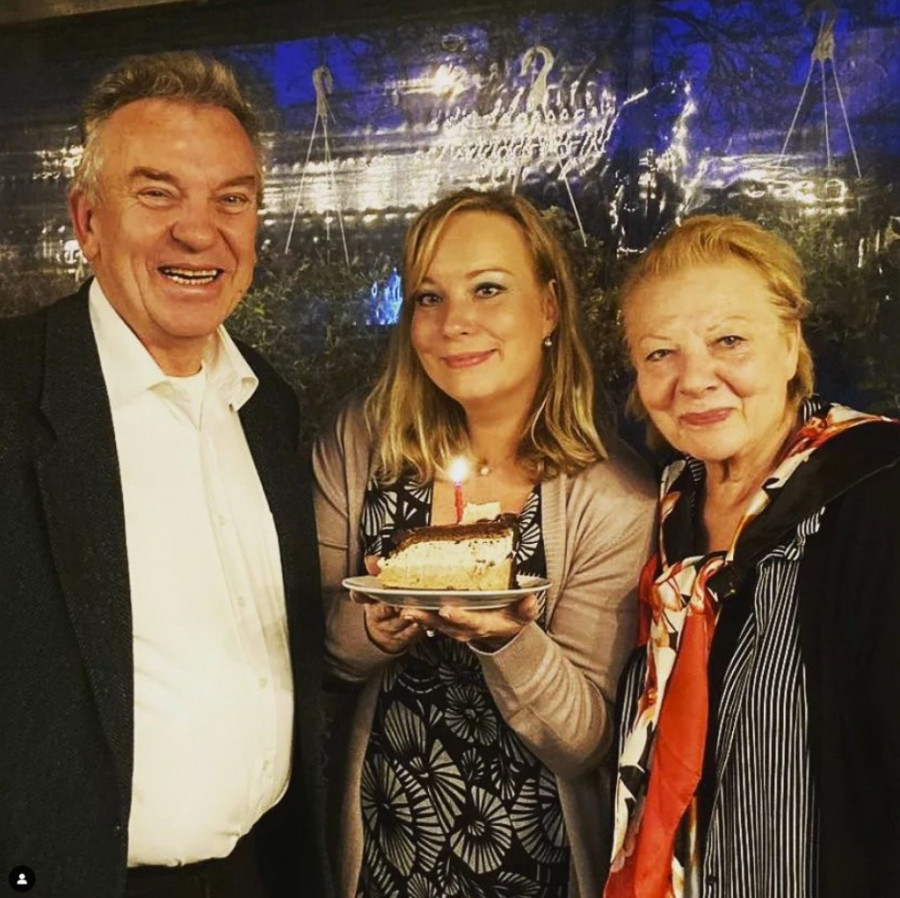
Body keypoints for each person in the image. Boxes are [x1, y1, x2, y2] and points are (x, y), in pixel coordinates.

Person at [0, 53, 330, 898]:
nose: (199, 231)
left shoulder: (268, 406)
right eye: (157, 193)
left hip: (260, 872)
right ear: (87, 221)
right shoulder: (11, 393)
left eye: (232, 199)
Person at [313, 188, 655, 898]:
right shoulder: (361, 444)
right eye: (428, 297)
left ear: (549, 308)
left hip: (530, 867)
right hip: (382, 858)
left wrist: (509, 641)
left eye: (488, 289)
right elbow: (311, 651)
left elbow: (584, 742)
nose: (454, 323)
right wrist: (372, 627)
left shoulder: (614, 497)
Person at [606, 214, 900, 898]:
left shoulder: (878, 494)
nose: (693, 380)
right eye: (660, 354)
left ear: (790, 344)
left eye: (729, 341)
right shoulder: (666, 509)